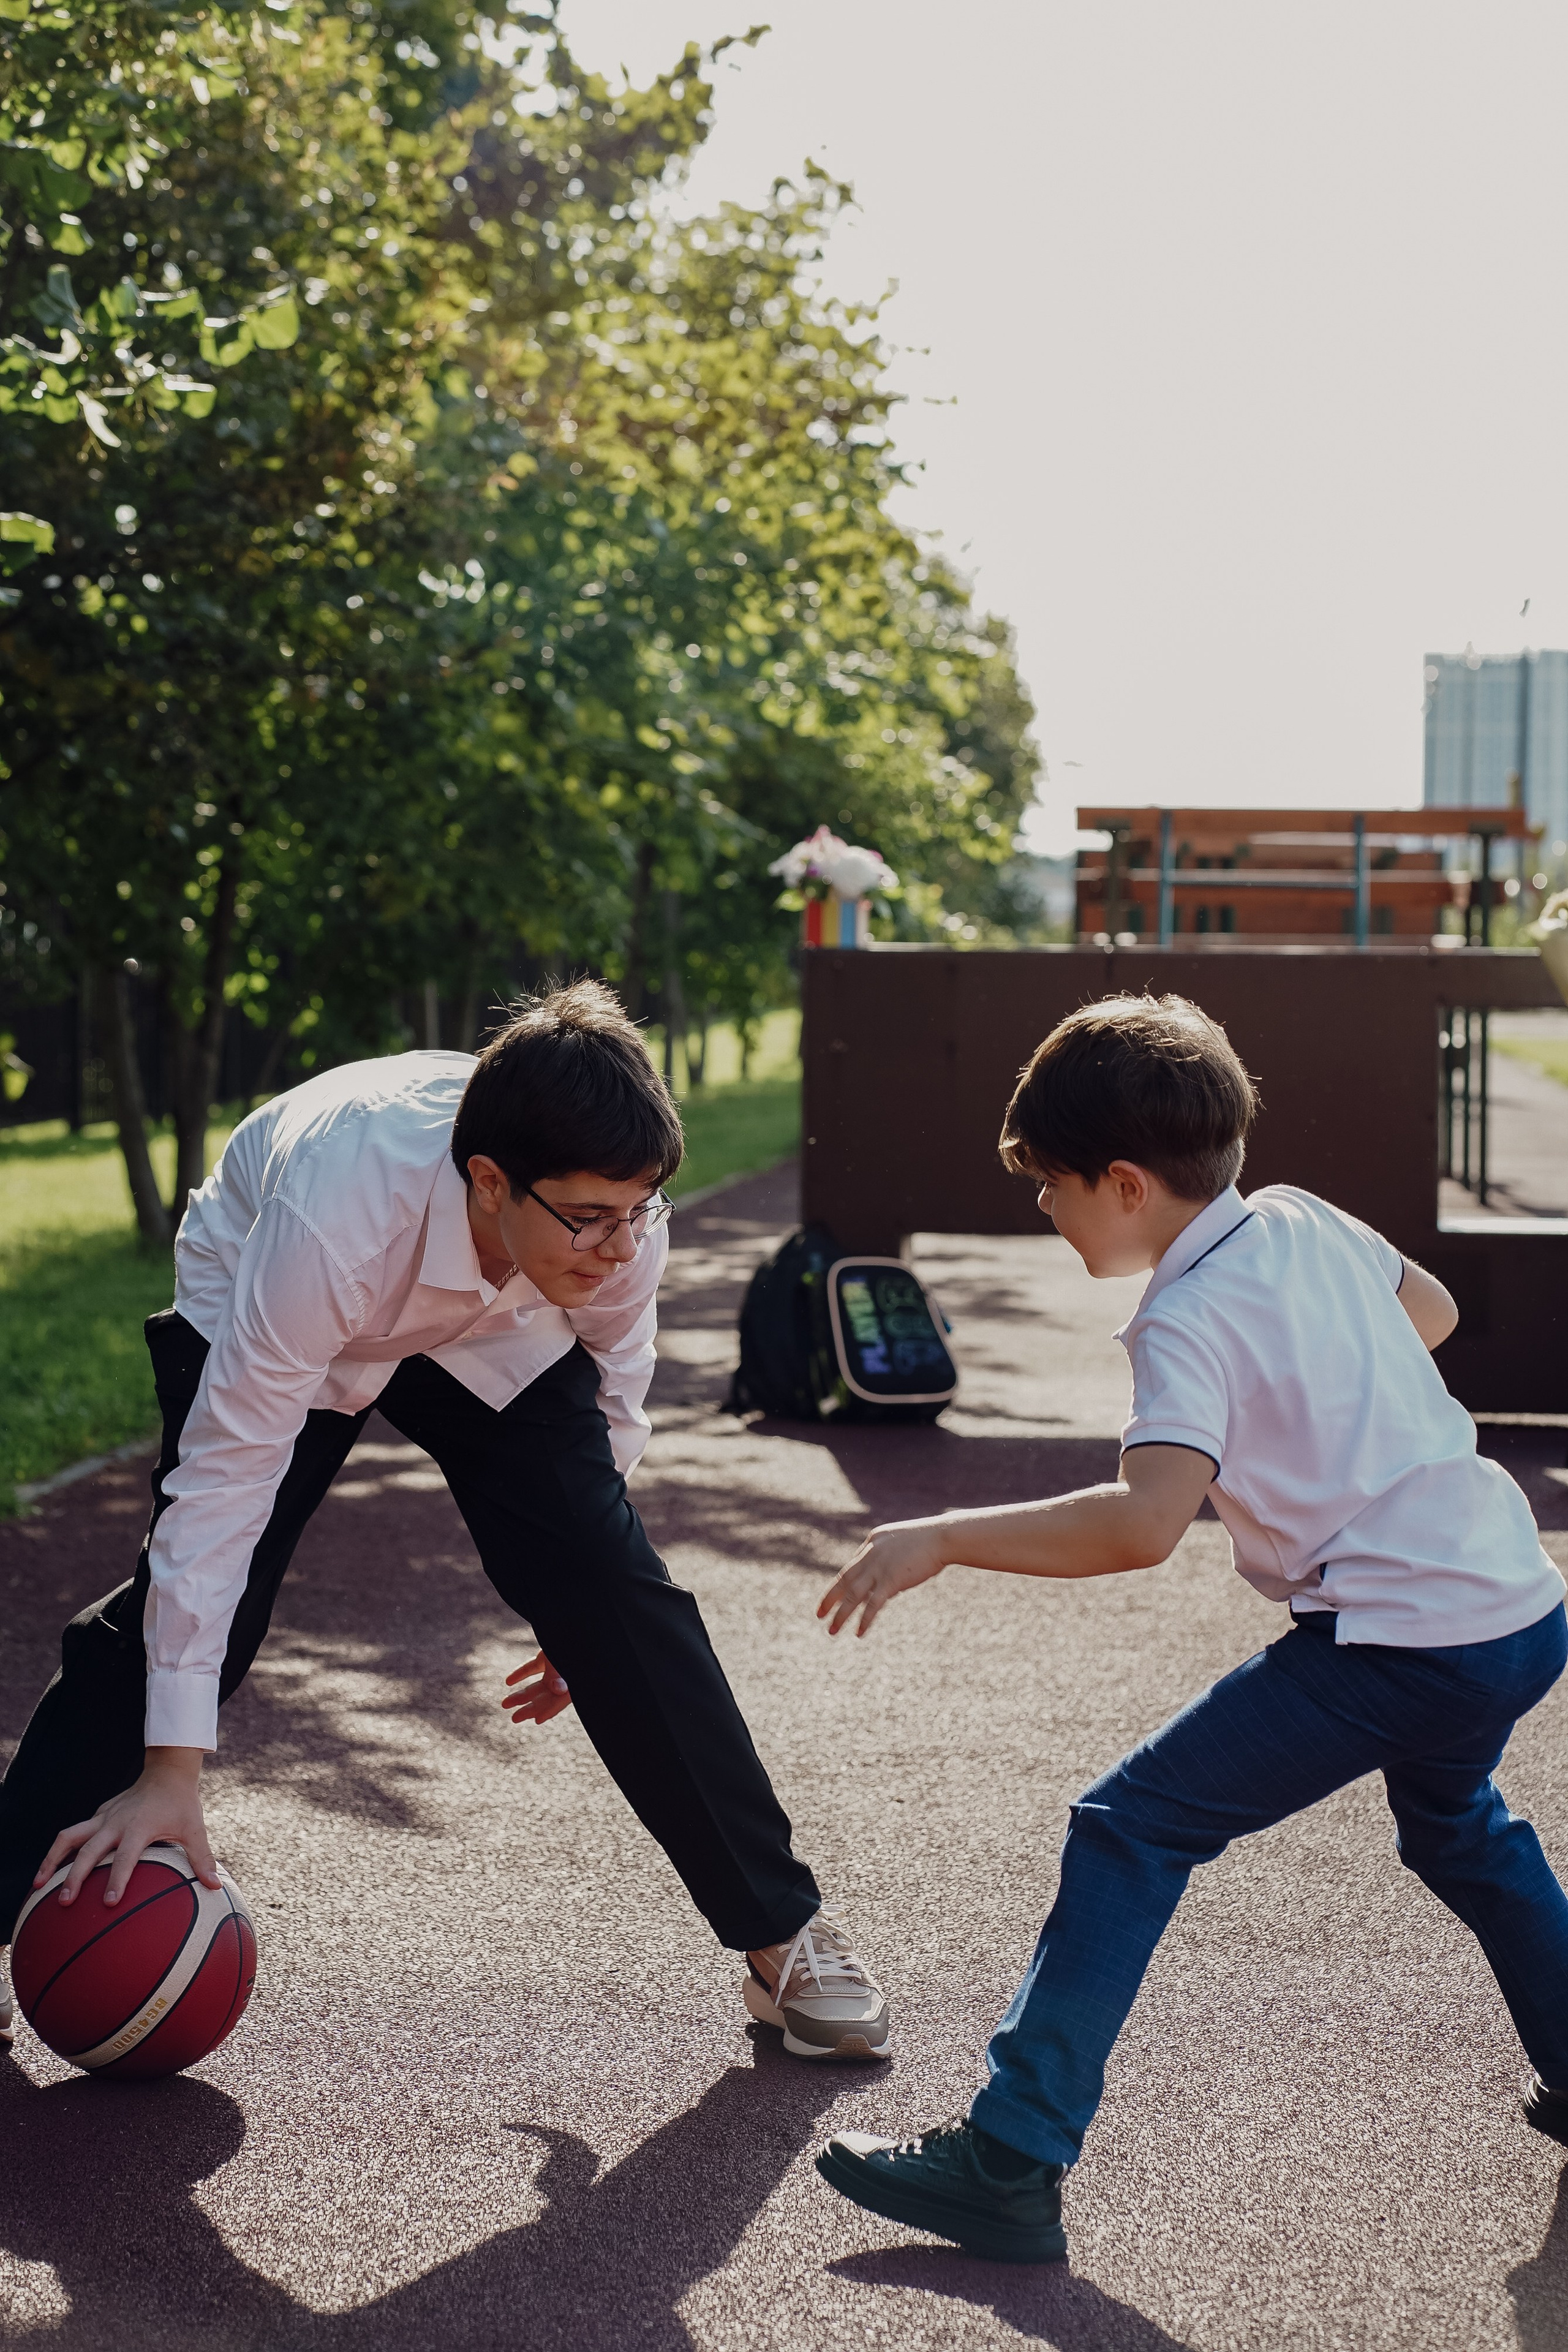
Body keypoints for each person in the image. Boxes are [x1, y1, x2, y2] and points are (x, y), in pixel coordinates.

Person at [0, 981, 888, 2065]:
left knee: (617, 1592)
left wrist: (580, 1601)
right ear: (489, 1180)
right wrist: (173, 1771)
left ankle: (781, 1933)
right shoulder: (334, 1217)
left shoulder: (611, 1227)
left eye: (639, 1213)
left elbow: (618, 1389)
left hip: (491, 1321)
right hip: (279, 1297)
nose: (620, 1248)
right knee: (196, 1617)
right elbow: (223, 1486)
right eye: (590, 1218)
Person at [812, 991, 1568, 2264]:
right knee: (1459, 1830)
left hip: (1400, 1640)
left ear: (1120, 1183)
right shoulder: (1298, 1216)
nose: (1040, 1211)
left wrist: (940, 1537)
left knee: (1126, 1826)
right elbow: (1427, 1316)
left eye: (1047, 1188)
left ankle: (1009, 2154)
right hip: (1517, 1607)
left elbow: (1140, 1522)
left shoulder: (1181, 1317)